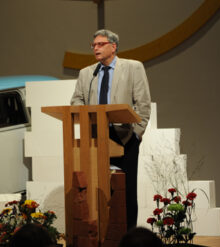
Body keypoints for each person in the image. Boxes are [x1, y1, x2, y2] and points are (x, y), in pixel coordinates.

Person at [70, 29, 151, 230]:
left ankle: (130, 235)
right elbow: (76, 100)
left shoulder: (133, 68)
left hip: (124, 136)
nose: (95, 48)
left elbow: (143, 103)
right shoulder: (87, 73)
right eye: (93, 45)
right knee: (98, 187)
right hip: (96, 136)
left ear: (113, 47)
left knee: (127, 189)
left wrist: (137, 134)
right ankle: (100, 232)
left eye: (100, 44)